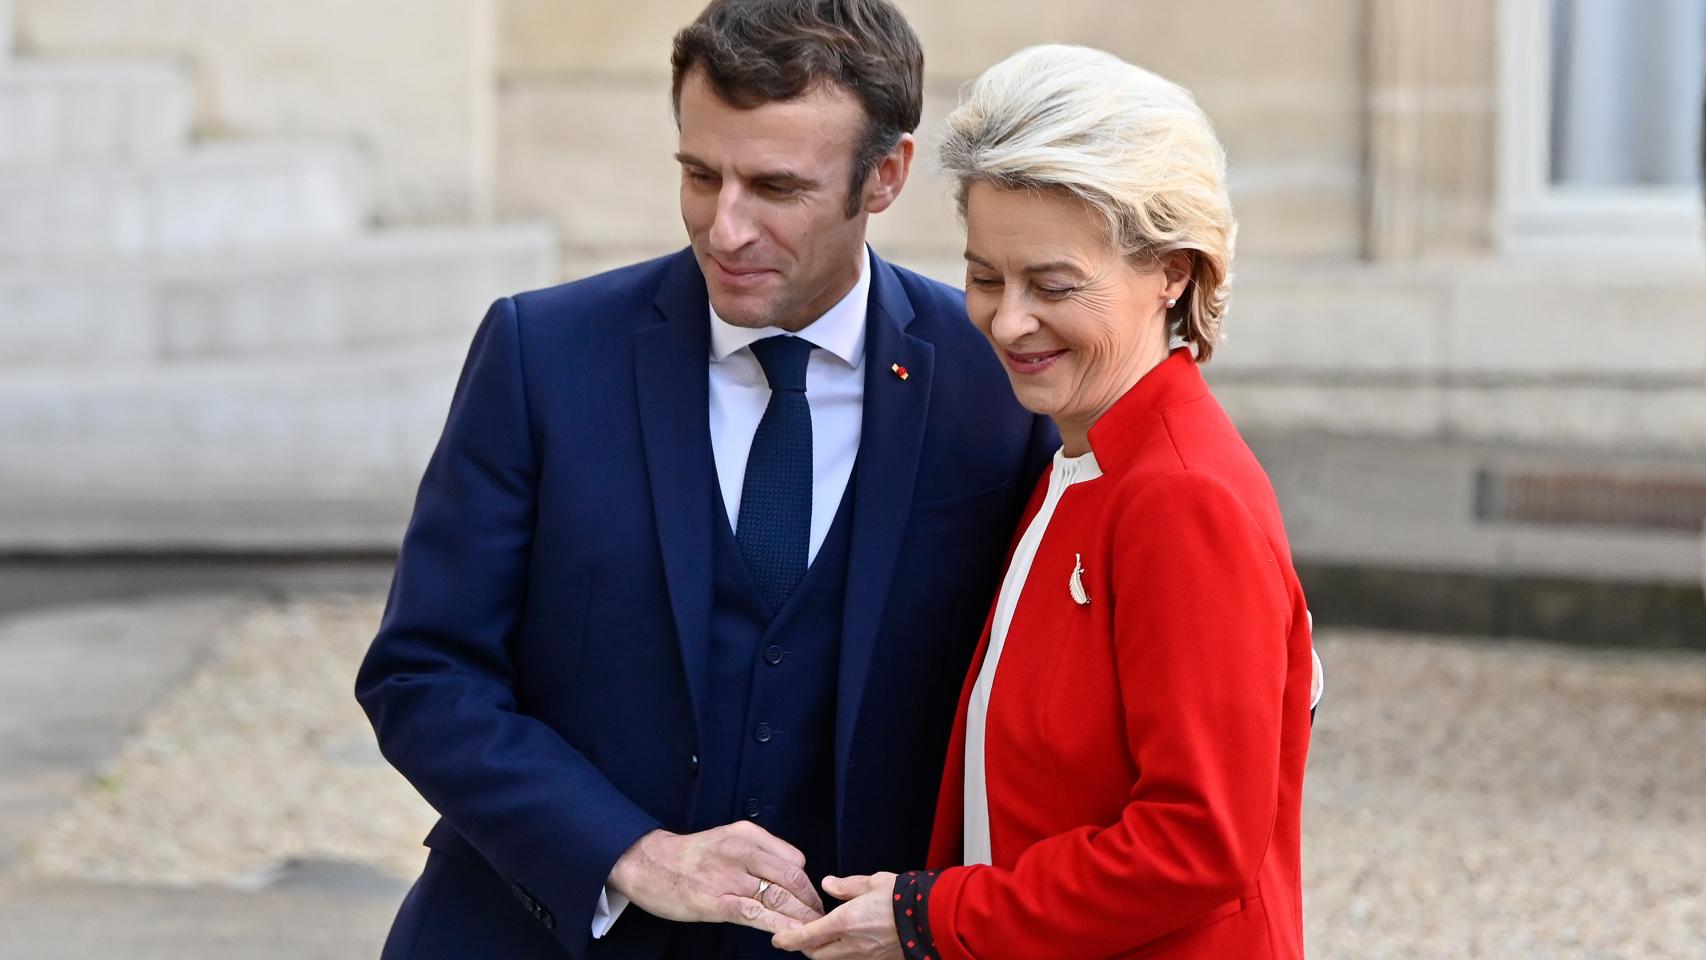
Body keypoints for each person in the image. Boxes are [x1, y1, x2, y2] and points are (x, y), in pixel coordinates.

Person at [352, 3, 1055, 959]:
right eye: (699, 175)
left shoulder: (995, 383)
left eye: (776, 187)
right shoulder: (542, 354)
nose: (725, 228)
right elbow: (423, 674)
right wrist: (629, 854)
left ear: (885, 176)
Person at [774, 45, 1314, 960]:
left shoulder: (1181, 497)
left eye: (1054, 286)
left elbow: (1196, 842)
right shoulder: (1082, 459)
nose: (1009, 320)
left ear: (1173, 272)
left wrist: (931, 917)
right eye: (986, 277)